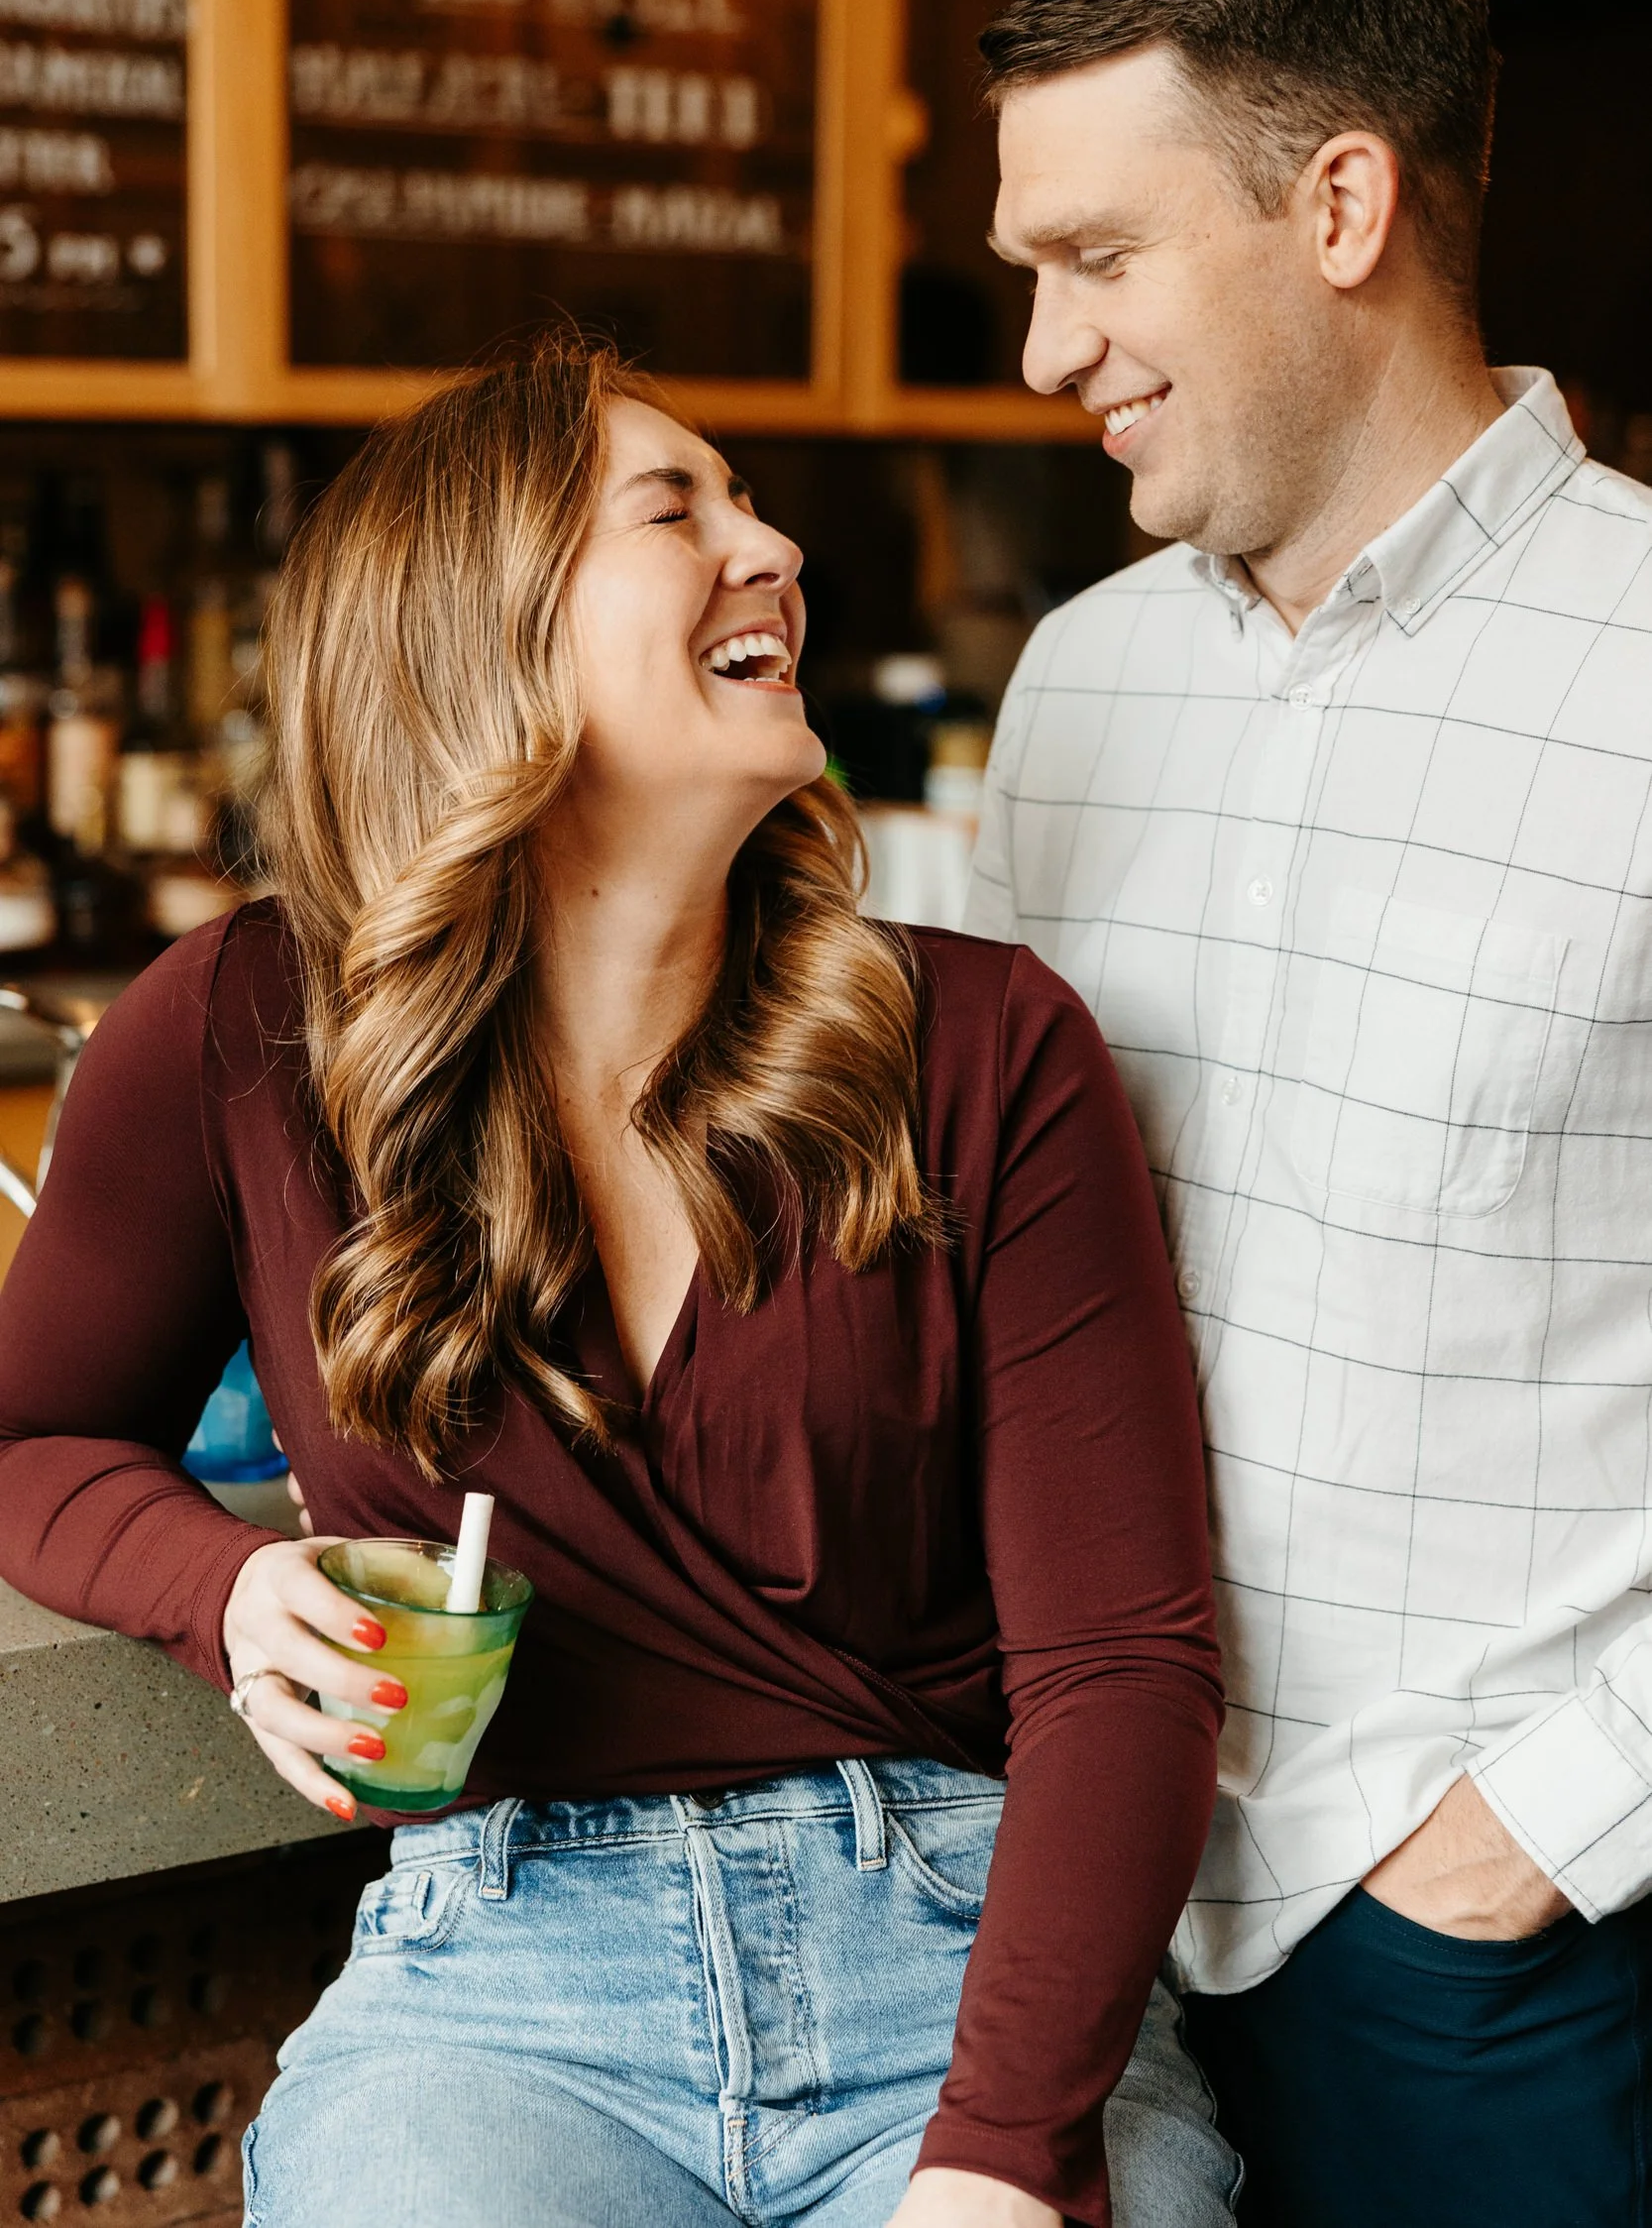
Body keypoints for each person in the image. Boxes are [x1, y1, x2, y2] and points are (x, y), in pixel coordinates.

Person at [0, 337, 1234, 2228]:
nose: (775, 549)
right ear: (478, 631)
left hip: (962, 1952)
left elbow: (1120, 1668)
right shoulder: (239, 1027)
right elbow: (32, 1437)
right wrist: (221, 1587)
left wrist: (1003, 2151)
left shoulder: (988, 1050)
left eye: (750, 500)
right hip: (502, 1985)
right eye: (677, 511)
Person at [966, 0, 1652, 2228]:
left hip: (1499, 1947)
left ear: (1336, 204)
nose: (1043, 349)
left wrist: (1544, 1823)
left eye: (1095, 255)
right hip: (1088, 1896)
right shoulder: (1074, 688)